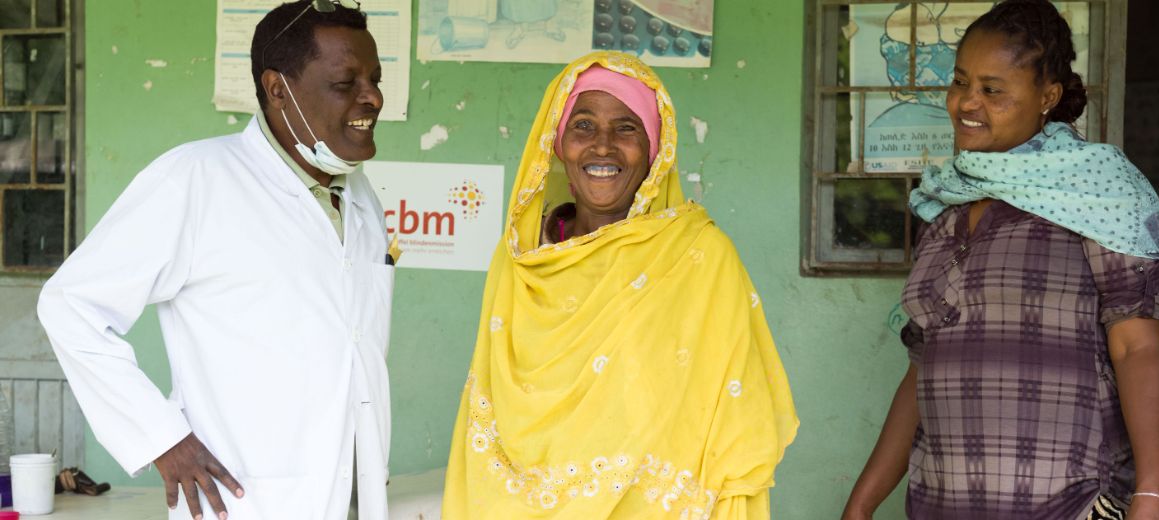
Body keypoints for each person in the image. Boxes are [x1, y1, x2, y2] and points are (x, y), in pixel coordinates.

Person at [37, 2, 393, 518]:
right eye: (346, 82)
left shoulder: (360, 199)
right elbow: (69, 305)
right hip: (246, 500)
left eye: (375, 79)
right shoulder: (196, 179)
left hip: (354, 499)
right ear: (278, 89)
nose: (373, 97)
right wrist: (161, 438)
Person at [842, 1, 1159, 519]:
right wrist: (861, 505)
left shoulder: (1098, 191)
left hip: (1069, 503)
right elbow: (924, 370)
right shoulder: (947, 203)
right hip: (943, 504)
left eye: (992, 90)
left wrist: (1155, 492)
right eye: (960, 82)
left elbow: (1137, 346)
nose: (966, 102)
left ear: (1047, 97)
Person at [441, 51, 799, 519]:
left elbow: (737, 427)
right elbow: (488, 415)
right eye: (583, 125)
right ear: (558, 143)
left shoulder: (700, 258)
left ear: (655, 149)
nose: (603, 146)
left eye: (626, 128)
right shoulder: (524, 262)